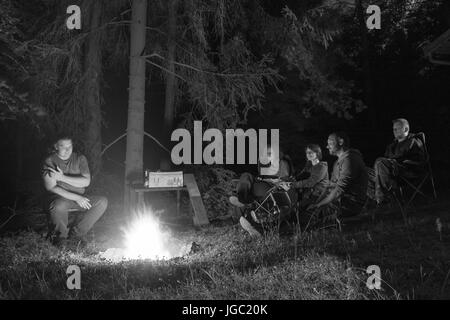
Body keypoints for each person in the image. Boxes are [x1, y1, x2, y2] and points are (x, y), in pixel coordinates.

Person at [42, 134, 108, 246]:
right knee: (58, 205)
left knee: (102, 202)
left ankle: (76, 235)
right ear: (56, 146)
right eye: (63, 146)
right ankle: (60, 239)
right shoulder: (50, 161)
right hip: (61, 199)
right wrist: (77, 197)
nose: (67, 150)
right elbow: (51, 187)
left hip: (80, 198)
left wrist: (62, 177)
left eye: (70, 146)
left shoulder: (80, 159)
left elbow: (86, 181)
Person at [229, 145, 295, 237]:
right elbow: (262, 177)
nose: (266, 156)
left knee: (246, 177)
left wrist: (267, 180)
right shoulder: (265, 166)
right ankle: (243, 204)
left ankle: (242, 200)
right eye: (265, 154)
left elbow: (283, 179)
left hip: (272, 189)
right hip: (263, 187)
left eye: (269, 154)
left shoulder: (282, 163)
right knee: (245, 178)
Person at [306, 132, 368, 225]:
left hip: (350, 204)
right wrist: (316, 204)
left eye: (330, 143)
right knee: (306, 211)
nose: (327, 146)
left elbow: (339, 190)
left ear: (341, 142)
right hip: (340, 201)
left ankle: (353, 219)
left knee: (313, 222)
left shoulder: (350, 160)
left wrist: (319, 205)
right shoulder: (338, 162)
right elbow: (329, 187)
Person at [369, 119, 426, 205]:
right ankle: (379, 197)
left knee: (380, 162)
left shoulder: (413, 141)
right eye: (393, 129)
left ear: (406, 129)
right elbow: (384, 162)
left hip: (406, 172)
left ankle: (383, 198)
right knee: (363, 171)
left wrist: (394, 162)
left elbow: (420, 161)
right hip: (387, 174)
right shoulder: (391, 146)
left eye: (397, 128)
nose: (394, 131)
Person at [293, 144, 329, 208]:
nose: (308, 154)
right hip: (308, 194)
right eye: (307, 152)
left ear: (317, 153)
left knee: (297, 209)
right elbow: (299, 177)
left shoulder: (321, 167)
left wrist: (294, 184)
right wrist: (287, 180)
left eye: (311, 152)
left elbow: (311, 182)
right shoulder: (308, 166)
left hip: (318, 196)